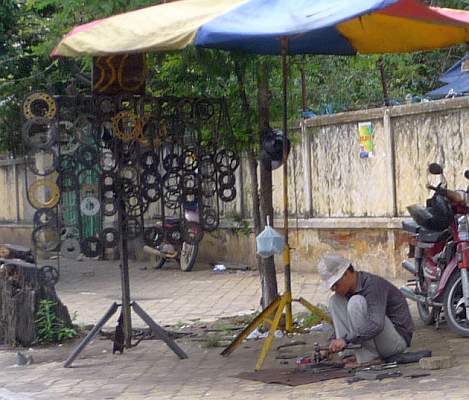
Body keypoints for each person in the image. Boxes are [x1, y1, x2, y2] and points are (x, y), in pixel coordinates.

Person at [318, 254, 413, 367]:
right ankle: (349, 354)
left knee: (355, 302)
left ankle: (369, 358)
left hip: (396, 342)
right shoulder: (348, 290)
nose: (334, 290)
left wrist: (345, 340)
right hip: (378, 341)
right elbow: (348, 326)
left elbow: (376, 324)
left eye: (335, 285)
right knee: (335, 301)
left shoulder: (372, 285)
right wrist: (332, 344)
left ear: (346, 274)